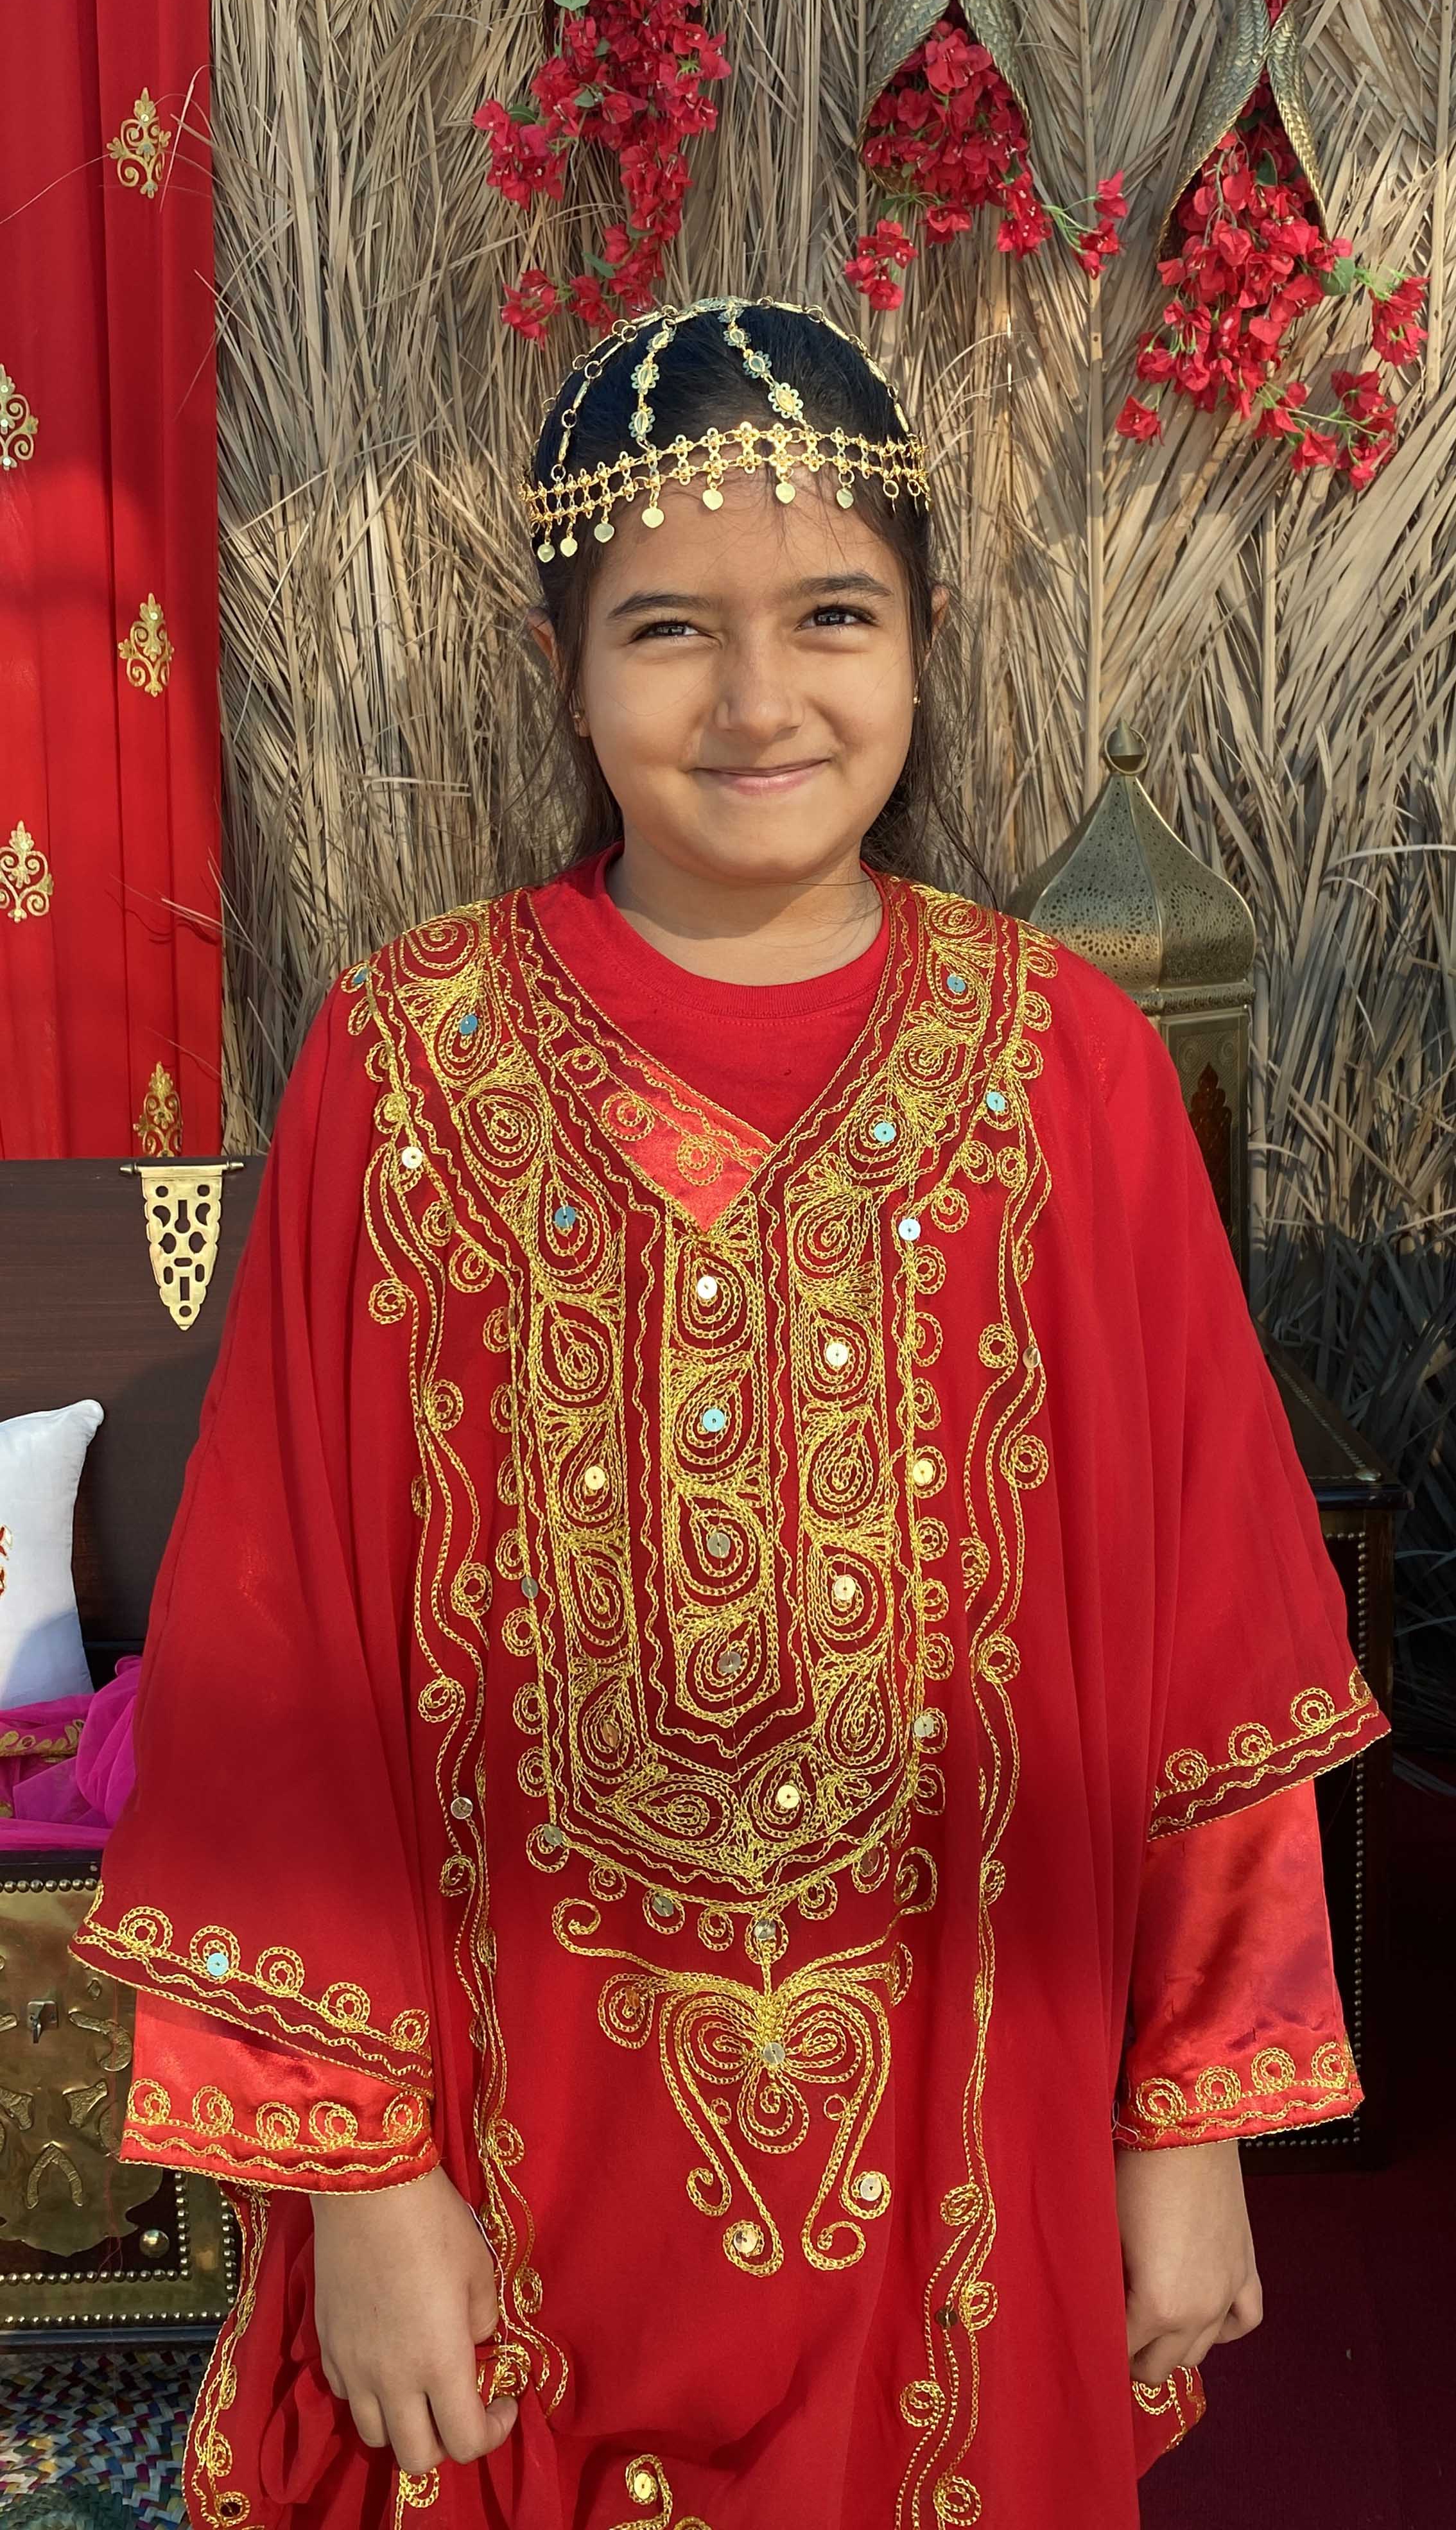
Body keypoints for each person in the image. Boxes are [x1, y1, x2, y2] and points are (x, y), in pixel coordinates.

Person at [74, 295, 1387, 2530]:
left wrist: (1186, 2133)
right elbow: (276, 1664)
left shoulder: (1063, 1068)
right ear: (563, 665)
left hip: (970, 2119)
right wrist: (365, 2187)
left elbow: (1210, 1661)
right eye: (669, 628)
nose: (759, 700)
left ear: (925, 639)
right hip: (505, 2151)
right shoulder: (408, 1064)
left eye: (832, 618)